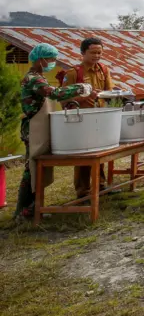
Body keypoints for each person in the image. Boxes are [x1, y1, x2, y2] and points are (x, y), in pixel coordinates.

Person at [15, 44, 95, 219]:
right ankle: (23, 211)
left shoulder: (39, 76)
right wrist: (79, 88)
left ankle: (32, 208)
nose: (52, 62)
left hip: (40, 127)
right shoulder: (34, 79)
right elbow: (54, 94)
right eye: (50, 59)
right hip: (33, 129)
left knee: (37, 169)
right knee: (32, 169)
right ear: (39, 59)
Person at [63, 37, 114, 199]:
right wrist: (84, 97)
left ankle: (100, 185)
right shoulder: (73, 73)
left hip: (100, 117)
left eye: (99, 52)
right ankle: (83, 191)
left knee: (100, 152)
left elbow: (109, 92)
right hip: (81, 120)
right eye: (93, 52)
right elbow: (63, 100)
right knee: (83, 155)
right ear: (83, 53)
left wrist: (105, 96)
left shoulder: (104, 70)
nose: (96, 55)